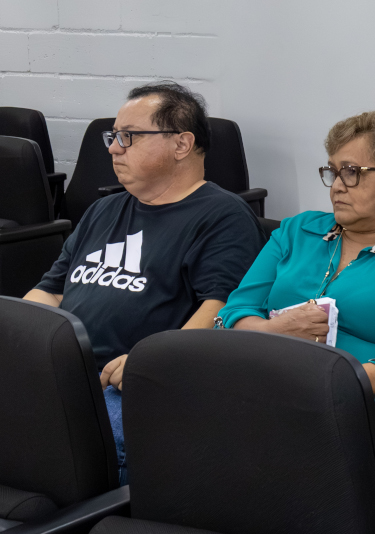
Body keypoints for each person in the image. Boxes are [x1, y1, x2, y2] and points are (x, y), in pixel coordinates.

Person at [215, 112, 375, 534]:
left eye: (353, 173)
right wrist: (273, 332)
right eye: (333, 171)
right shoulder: (296, 231)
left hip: (336, 407)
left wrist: (335, 384)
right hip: (248, 384)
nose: (336, 185)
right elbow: (233, 312)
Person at [24, 81, 264, 484]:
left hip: (136, 384)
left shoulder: (222, 217)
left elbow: (220, 310)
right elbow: (50, 290)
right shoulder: (104, 209)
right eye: (114, 137)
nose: (113, 148)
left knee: (69, 451)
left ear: (182, 144)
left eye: (129, 137)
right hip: (64, 371)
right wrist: (21, 342)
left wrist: (149, 364)